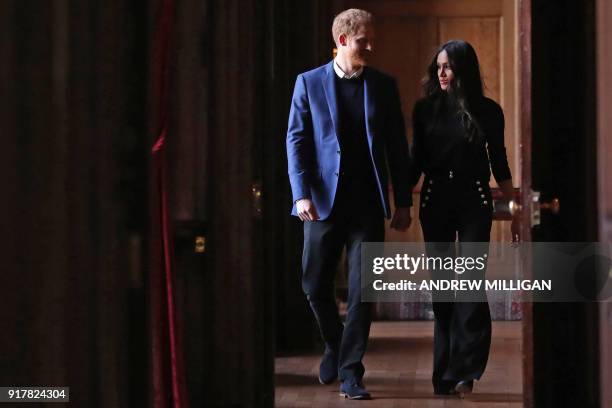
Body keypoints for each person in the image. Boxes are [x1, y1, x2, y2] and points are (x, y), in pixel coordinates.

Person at [286, 8, 412, 400]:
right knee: (314, 283)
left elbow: (396, 147)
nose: (370, 47)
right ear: (342, 41)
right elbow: (297, 140)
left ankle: (351, 372)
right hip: (321, 203)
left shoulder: (383, 86)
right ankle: (335, 344)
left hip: (368, 206)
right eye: (363, 41)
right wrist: (300, 192)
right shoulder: (307, 83)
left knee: (362, 292)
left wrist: (403, 201)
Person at [410, 40, 521, 397]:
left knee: (470, 284)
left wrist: (518, 210)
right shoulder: (425, 110)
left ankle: (466, 369)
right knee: (443, 289)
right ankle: (444, 374)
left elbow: (500, 164)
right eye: (438, 66)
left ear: (464, 69)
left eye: (448, 66)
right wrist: (395, 199)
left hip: (475, 199)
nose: (441, 73)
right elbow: (414, 163)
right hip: (436, 199)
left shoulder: (489, 111)